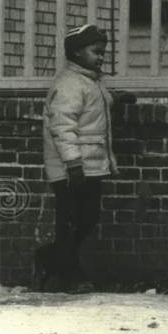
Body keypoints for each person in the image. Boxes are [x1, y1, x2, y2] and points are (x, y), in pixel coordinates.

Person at [37, 24, 117, 294]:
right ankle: (71, 274)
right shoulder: (70, 84)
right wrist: (72, 163)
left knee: (88, 217)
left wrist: (117, 100)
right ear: (76, 53)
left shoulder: (89, 81)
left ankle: (52, 258)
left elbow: (95, 107)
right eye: (96, 51)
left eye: (103, 52)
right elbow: (62, 125)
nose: (102, 56)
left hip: (88, 164)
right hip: (72, 167)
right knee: (71, 220)